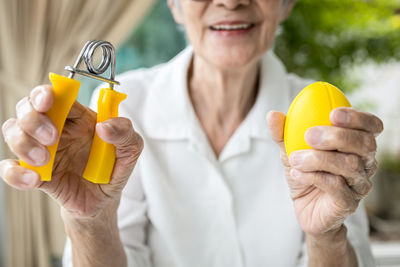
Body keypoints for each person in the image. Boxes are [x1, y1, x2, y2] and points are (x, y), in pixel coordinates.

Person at [0, 0, 384, 266]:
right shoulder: (122, 110)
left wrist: (326, 237)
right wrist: (88, 221)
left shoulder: (325, 124)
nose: (231, 2)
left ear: (286, 4)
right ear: (174, 5)